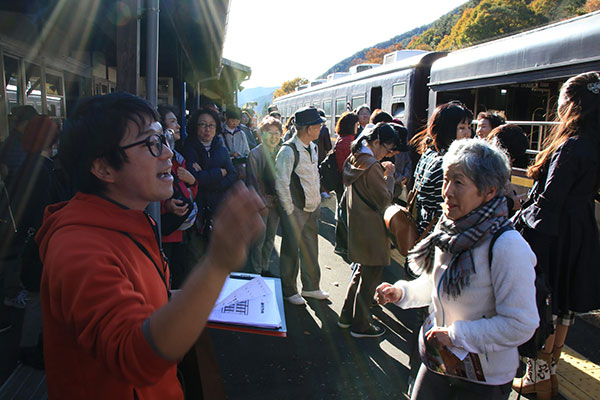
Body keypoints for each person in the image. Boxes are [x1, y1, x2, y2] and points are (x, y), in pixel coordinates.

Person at [37, 92, 264, 398]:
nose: (168, 154)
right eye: (152, 143)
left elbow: (146, 303)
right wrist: (217, 264)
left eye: (165, 139)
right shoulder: (78, 248)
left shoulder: (129, 220)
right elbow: (137, 358)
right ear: (103, 167)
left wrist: (212, 295)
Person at [377, 139, 539, 400]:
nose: (447, 192)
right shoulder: (451, 231)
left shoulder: (507, 246)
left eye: (459, 182)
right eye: (445, 179)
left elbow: (521, 323)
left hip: (483, 379)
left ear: (489, 191)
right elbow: (436, 284)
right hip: (438, 363)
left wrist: (455, 335)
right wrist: (402, 293)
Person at [512, 71, 600, 399]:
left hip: (554, 235)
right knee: (563, 307)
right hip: (579, 233)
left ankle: (538, 379)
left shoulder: (570, 145)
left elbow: (549, 201)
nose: (558, 106)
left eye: (562, 100)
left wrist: (519, 230)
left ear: (573, 103)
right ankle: (547, 377)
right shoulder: (594, 142)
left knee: (544, 304)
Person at [338, 123, 402, 338]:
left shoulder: (355, 158)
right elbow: (384, 199)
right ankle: (361, 325)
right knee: (371, 276)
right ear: (375, 142)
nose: (387, 153)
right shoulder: (372, 165)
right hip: (373, 227)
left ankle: (347, 316)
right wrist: (390, 176)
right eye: (386, 148)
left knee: (360, 273)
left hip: (358, 223)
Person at [275, 106, 329, 305]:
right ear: (308, 128)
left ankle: (311, 287)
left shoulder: (312, 146)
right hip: (296, 209)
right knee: (290, 251)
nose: (321, 128)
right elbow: (281, 183)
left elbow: (312, 176)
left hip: (311, 207)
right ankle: (289, 291)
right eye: (318, 125)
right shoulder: (288, 151)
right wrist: (290, 211)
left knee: (311, 248)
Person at [409, 101, 474, 234]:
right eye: (462, 128)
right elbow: (448, 210)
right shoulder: (444, 165)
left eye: (469, 126)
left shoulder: (429, 153)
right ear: (447, 129)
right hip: (438, 236)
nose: (468, 133)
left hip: (424, 228)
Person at [182, 107, 238, 260]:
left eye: (211, 125)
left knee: (219, 256)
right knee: (197, 256)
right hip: (198, 212)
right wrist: (218, 173)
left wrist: (202, 178)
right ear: (196, 126)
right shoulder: (188, 147)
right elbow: (190, 177)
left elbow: (232, 174)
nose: (208, 129)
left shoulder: (221, 148)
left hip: (219, 210)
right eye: (203, 124)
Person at [157, 105, 198, 289]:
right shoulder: (158, 161)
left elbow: (189, 194)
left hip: (181, 230)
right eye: (173, 122)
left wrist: (193, 181)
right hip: (163, 234)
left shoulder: (178, 159)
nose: (179, 126)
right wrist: (166, 207)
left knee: (180, 277)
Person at [246, 116, 283, 276]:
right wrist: (264, 199)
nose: (274, 137)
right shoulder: (255, 154)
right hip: (260, 204)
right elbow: (252, 181)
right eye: (269, 133)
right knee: (259, 240)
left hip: (277, 202)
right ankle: (256, 270)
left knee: (270, 238)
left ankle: (265, 267)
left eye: (277, 133)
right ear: (262, 134)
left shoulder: (282, 152)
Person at [332, 111, 359, 260]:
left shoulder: (341, 139)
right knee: (344, 213)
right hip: (345, 182)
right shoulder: (349, 142)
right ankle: (342, 245)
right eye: (356, 124)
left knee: (341, 212)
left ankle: (341, 245)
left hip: (341, 181)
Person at [221, 105, 250, 180]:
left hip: (239, 168)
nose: (235, 123)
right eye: (232, 120)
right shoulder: (221, 134)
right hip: (226, 169)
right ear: (226, 118)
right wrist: (231, 154)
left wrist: (242, 156)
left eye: (237, 121)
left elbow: (247, 151)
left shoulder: (241, 133)